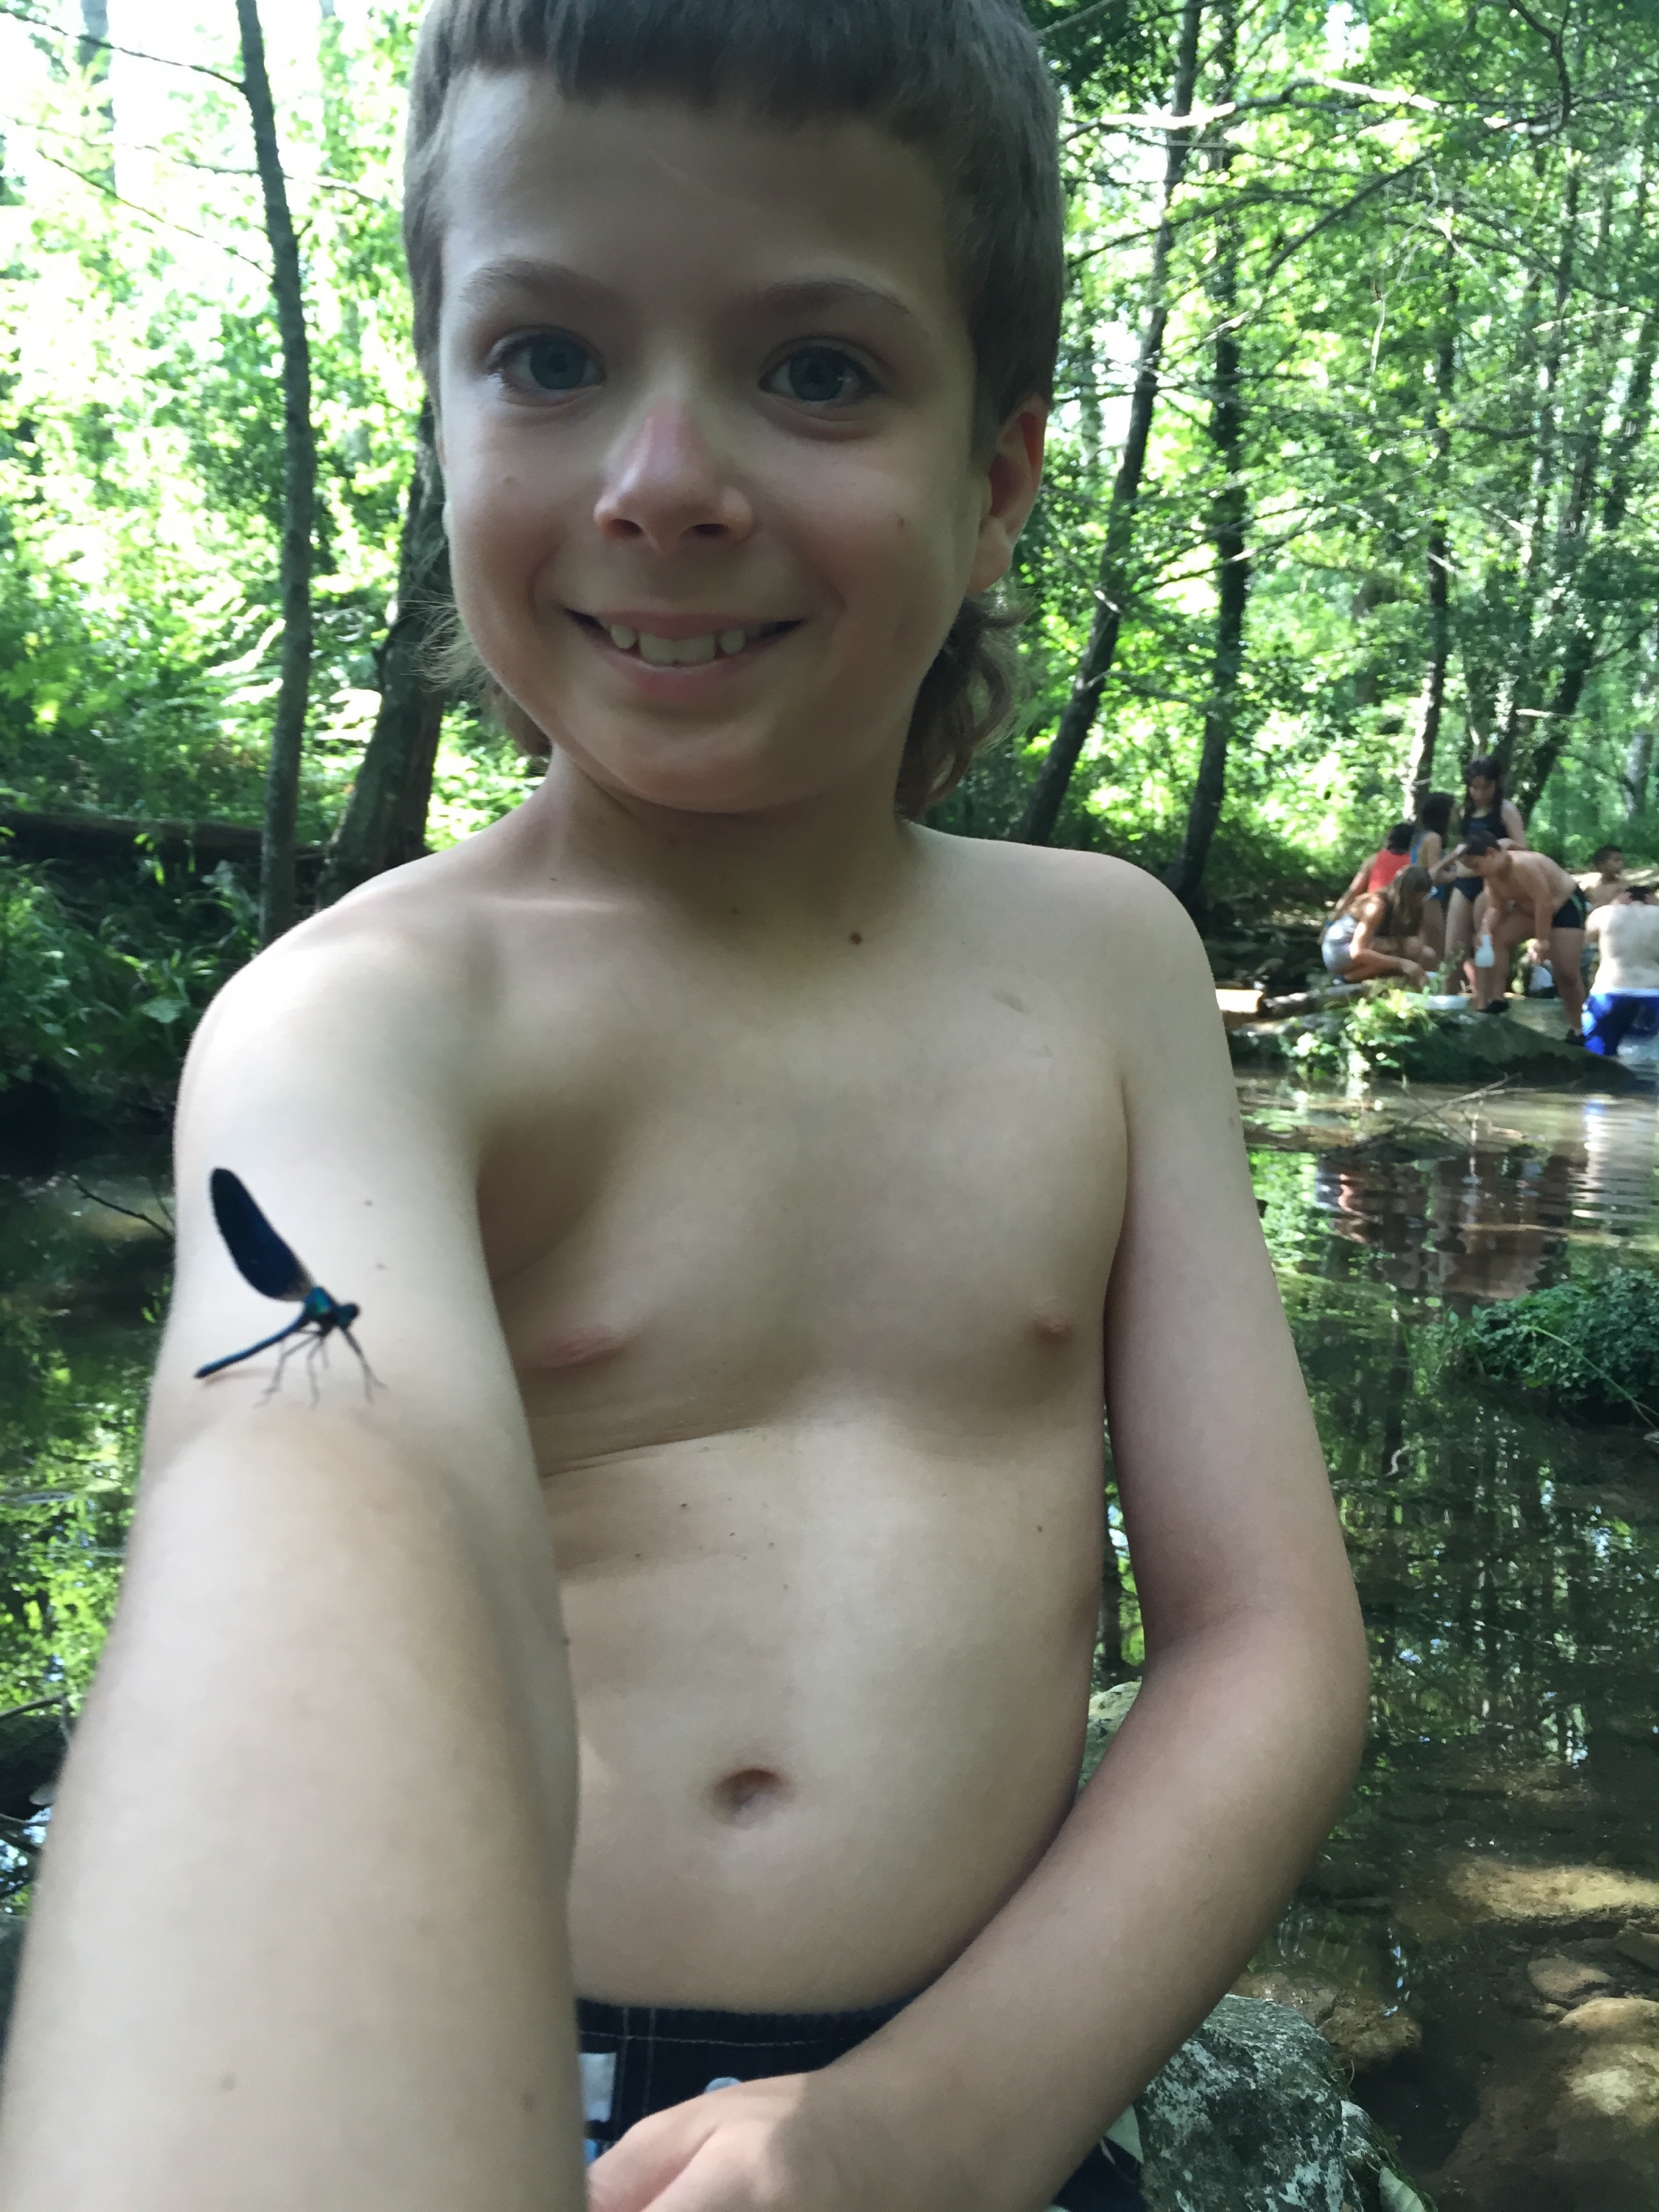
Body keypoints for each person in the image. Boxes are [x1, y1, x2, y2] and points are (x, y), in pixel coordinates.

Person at [0, 6, 1369, 2210]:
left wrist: (933, 2123)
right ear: (439, 414)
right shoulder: (354, 1027)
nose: (660, 478)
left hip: (989, 2092)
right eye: (546, 357)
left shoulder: (1105, 967)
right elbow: (300, 1482)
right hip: (490, 2086)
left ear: (995, 479)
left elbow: (1269, 1641)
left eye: (814, 368)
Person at [1455, 830, 1587, 1037]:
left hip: (1564, 907)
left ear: (1491, 853)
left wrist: (1542, 940)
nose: (1476, 872)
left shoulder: (1522, 864)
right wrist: (1485, 929)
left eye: (1476, 865)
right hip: (1529, 912)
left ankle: (1578, 1027)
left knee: (1566, 974)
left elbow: (1543, 902)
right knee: (1495, 939)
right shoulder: (1491, 876)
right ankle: (1498, 998)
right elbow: (1496, 906)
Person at [1444, 756, 1527, 976]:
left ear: (1496, 783)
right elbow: (1461, 848)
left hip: (1491, 884)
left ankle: (1486, 993)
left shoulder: (1505, 810)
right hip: (1464, 882)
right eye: (1474, 788)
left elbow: (1524, 848)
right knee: (1453, 951)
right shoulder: (1467, 811)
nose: (1479, 794)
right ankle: (1447, 993)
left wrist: (1508, 844)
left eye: (1485, 787)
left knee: (1484, 943)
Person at [1321, 863, 1432, 987]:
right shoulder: (1376, 906)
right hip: (1339, 950)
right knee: (1405, 950)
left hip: (1364, 946)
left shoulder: (1407, 908)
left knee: (1424, 952)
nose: (1421, 902)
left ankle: (1396, 983)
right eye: (1419, 897)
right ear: (1409, 893)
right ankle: (1346, 979)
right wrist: (1402, 964)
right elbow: (1357, 951)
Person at [1582, 884, 1659, 1058]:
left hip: (1608, 992)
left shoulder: (1604, 913)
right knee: (1641, 1062)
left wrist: (1612, 904)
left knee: (1596, 1059)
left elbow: (1583, 941)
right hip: (1652, 994)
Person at [1409, 792, 1455, 961]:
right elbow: (1434, 875)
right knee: (1436, 950)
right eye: (1453, 810)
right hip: (1429, 897)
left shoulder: (1422, 837)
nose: (1456, 814)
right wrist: (1460, 876)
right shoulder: (1434, 838)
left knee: (1425, 947)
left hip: (1419, 896)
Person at [1332, 821, 1413, 914]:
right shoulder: (1414, 864)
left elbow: (1354, 891)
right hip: (1400, 916)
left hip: (1372, 911)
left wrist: (1336, 915)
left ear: (1390, 839)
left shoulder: (1374, 859)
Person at [1584, 844, 1628, 910]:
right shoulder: (1590, 890)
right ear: (1601, 865)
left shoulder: (1624, 886)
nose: (1621, 863)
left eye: (1621, 860)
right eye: (1616, 860)